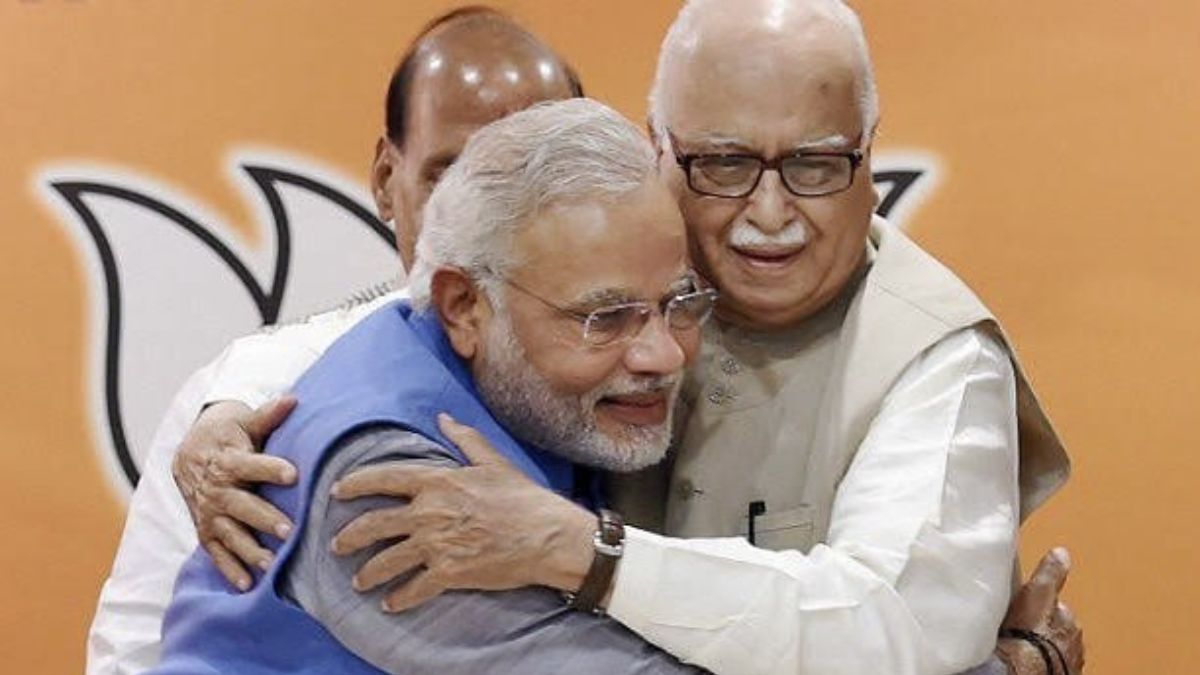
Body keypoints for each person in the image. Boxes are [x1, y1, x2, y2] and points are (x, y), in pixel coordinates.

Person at [95, 4, 1081, 675]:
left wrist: (581, 551)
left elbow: (894, 629)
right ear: (664, 152)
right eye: (725, 162)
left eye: (816, 164)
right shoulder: (389, 475)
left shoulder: (930, 351)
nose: (769, 212)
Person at [85, 8, 582, 673]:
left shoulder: (640, 381)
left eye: (532, 179)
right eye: (450, 175)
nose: (490, 218)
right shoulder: (252, 397)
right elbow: (133, 651)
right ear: (385, 180)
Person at [151, 98, 720, 675]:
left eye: (679, 302)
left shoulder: (496, 371)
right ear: (463, 306)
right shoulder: (379, 473)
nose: (665, 355)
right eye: (605, 318)